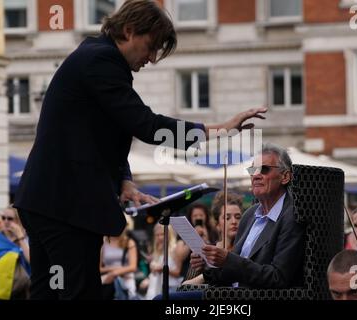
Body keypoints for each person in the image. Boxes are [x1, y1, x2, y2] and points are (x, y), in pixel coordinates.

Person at [13, 0, 266, 299]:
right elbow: (146, 126)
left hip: (45, 202)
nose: (152, 57)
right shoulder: (102, 62)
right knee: (77, 293)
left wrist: (126, 180)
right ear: (130, 30)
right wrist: (220, 129)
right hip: (66, 207)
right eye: (151, 46)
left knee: (50, 290)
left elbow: (111, 130)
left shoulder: (93, 56)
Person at [191, 143, 305, 289]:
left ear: (285, 176)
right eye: (253, 169)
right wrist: (207, 266)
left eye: (264, 169)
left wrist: (228, 259)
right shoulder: (249, 215)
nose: (256, 175)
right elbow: (232, 271)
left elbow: (278, 277)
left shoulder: (293, 216)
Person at [182, 190, 243, 285]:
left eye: (238, 217)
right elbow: (185, 286)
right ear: (217, 224)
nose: (234, 221)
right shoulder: (207, 250)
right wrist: (196, 269)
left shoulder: (247, 248)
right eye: (227, 218)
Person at [100, 225, 138, 300]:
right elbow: (99, 268)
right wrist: (113, 270)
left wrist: (115, 273)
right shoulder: (103, 243)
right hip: (107, 278)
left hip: (125, 279)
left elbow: (133, 266)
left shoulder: (129, 242)